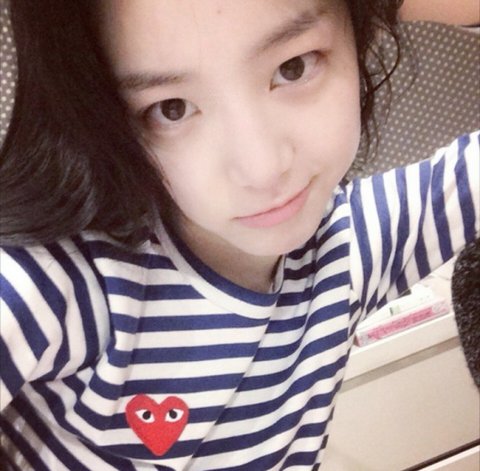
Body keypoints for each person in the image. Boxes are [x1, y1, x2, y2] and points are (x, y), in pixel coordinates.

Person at [0, 1, 478, 470]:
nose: (261, 168)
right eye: (172, 109)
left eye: (292, 67)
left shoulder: (349, 248)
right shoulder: (68, 283)